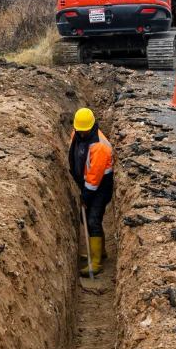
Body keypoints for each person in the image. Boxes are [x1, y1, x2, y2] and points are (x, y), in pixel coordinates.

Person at [68, 108, 114, 276]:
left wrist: (85, 196)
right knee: (87, 218)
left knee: (93, 219)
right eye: (79, 130)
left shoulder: (100, 147)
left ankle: (96, 262)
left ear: (92, 126)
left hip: (101, 186)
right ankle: (98, 252)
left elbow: (95, 177)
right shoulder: (78, 133)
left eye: (83, 130)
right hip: (87, 183)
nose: (80, 133)